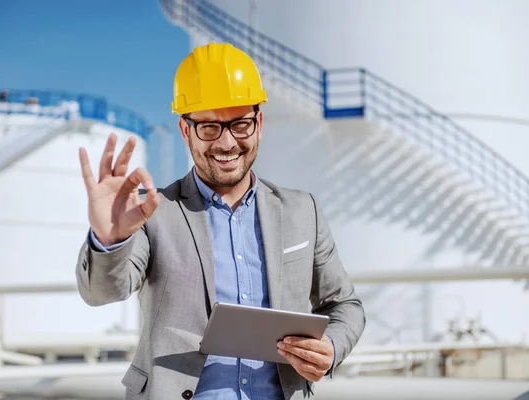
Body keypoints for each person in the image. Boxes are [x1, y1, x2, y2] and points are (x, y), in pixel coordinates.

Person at [75, 43, 366, 400]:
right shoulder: (155, 213)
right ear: (185, 131)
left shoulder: (302, 211)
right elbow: (101, 292)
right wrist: (109, 241)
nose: (227, 142)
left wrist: (331, 348)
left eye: (241, 124)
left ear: (258, 124)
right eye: (210, 127)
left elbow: (345, 306)